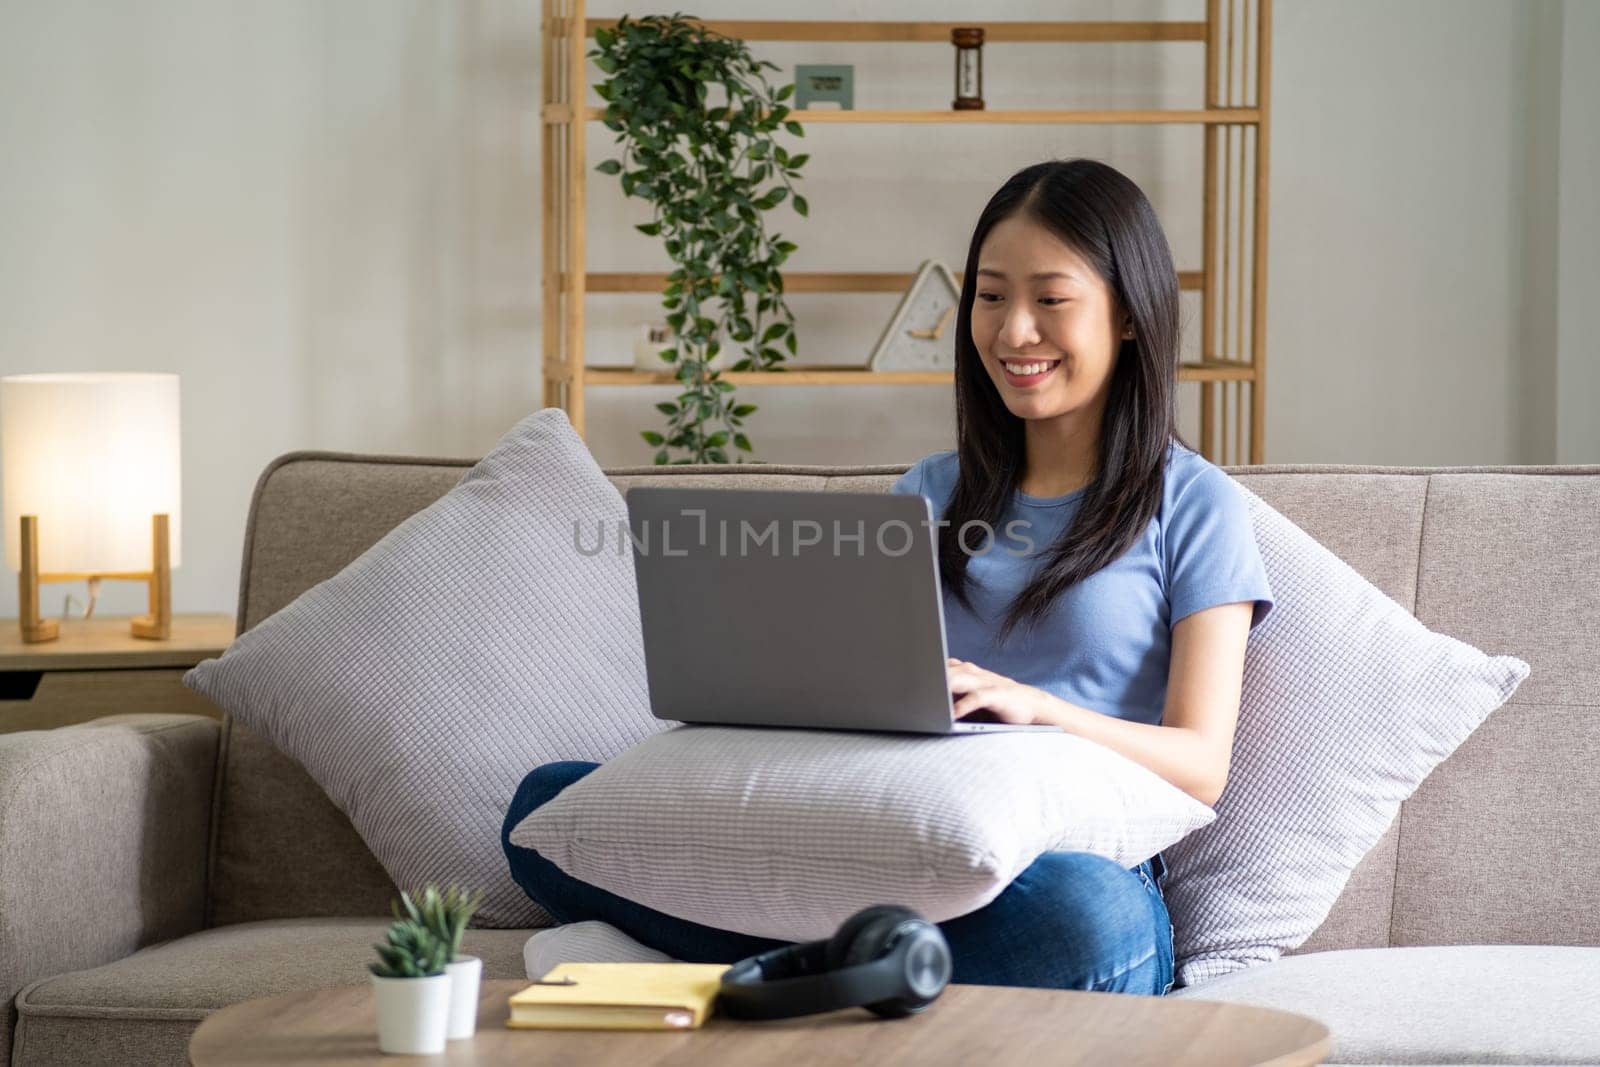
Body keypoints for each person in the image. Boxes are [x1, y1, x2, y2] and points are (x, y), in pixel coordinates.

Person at [503, 158, 1274, 997]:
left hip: (1071, 870)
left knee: (1080, 921)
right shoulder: (931, 491)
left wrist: (1041, 709)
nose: (1014, 331)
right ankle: (863, 968)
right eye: (989, 296)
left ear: (1128, 314)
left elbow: (1202, 762)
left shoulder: (1196, 505)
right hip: (895, 850)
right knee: (545, 807)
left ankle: (796, 964)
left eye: (1051, 299)